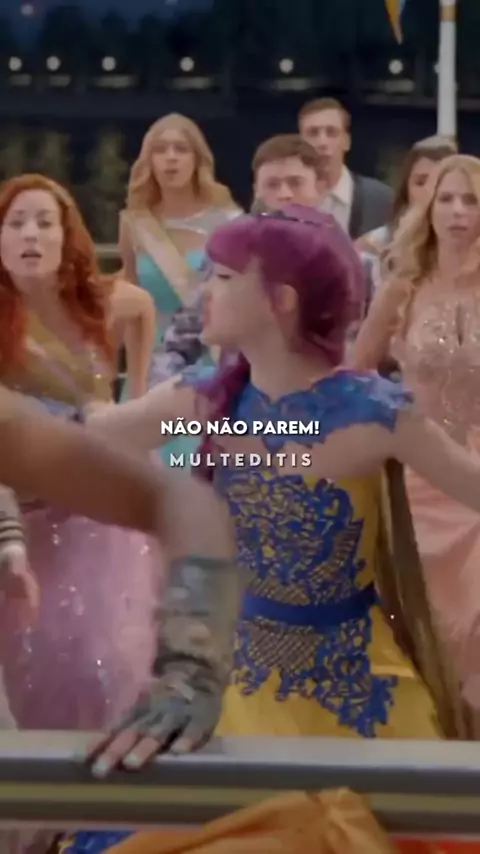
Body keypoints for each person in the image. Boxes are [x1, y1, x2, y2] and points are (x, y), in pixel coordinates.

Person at [86, 204, 480, 753]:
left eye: (224, 278)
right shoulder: (201, 407)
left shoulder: (376, 419)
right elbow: (85, 438)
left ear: (282, 300)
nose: (205, 292)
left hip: (362, 689)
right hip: (233, 691)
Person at [0, 172, 155, 738]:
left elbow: (143, 309)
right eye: (16, 223)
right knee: (30, 664)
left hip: (96, 515)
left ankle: (102, 784)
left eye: (45, 223)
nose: (30, 235)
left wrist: (134, 395)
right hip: (19, 513)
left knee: (102, 660)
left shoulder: (102, 303)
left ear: (66, 238)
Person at [353, 154, 480, 725]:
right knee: (421, 617)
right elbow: (357, 375)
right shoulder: (402, 290)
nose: (457, 212)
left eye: (471, 200)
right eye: (446, 199)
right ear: (427, 210)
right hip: (421, 473)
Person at [119, 113, 241, 389]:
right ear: (149, 161)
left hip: (212, 365)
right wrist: (135, 382)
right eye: (160, 150)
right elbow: (130, 313)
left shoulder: (229, 222)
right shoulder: (133, 224)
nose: (171, 157)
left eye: (181, 149)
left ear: (197, 159)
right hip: (151, 369)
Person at [355, 135, 458, 272]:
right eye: (421, 182)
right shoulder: (372, 247)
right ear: (406, 189)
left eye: (440, 181)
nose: (429, 191)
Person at [298, 98, 393, 237]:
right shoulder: (288, 197)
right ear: (300, 142)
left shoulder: (381, 199)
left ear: (347, 141)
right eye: (313, 133)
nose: (322, 142)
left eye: (331, 132)